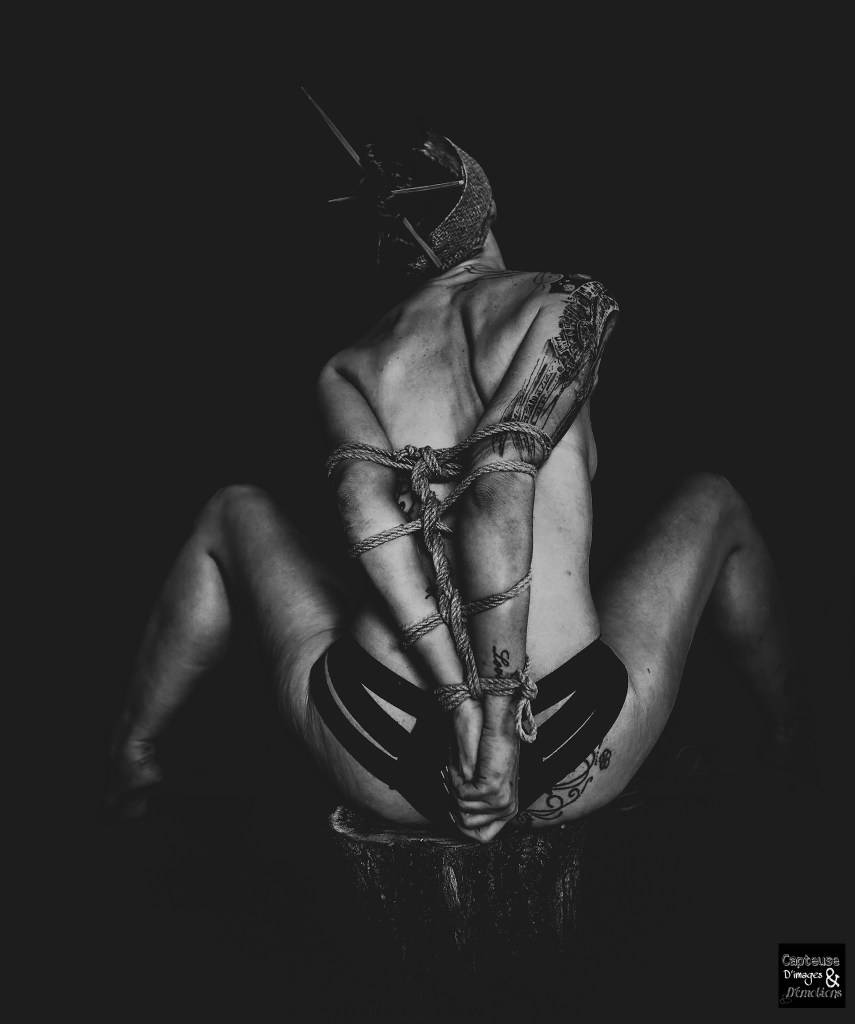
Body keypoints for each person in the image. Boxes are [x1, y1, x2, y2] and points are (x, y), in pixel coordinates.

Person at [104, 118, 806, 844]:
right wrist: (495, 731)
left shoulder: (349, 365)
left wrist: (457, 704)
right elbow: (499, 476)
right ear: (485, 205)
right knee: (714, 501)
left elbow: (367, 514)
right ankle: (793, 745)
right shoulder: (566, 300)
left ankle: (133, 756)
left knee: (233, 510)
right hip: (561, 735)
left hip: (374, 737)